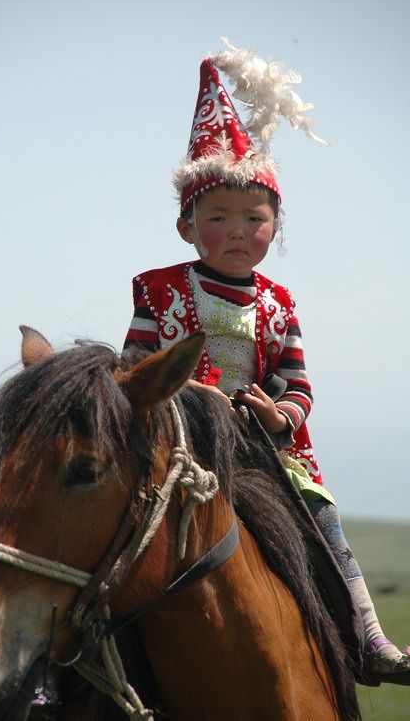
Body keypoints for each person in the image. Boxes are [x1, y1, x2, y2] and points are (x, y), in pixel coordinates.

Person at [124, 40, 410, 683]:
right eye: (216, 216)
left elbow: (298, 381)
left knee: (323, 517)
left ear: (274, 228)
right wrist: (178, 399)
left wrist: (280, 416)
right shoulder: (159, 290)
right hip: (175, 442)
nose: (233, 230)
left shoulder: (280, 304)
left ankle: (368, 639)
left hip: (260, 447)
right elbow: (134, 365)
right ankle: (61, 660)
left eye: (252, 218)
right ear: (187, 226)